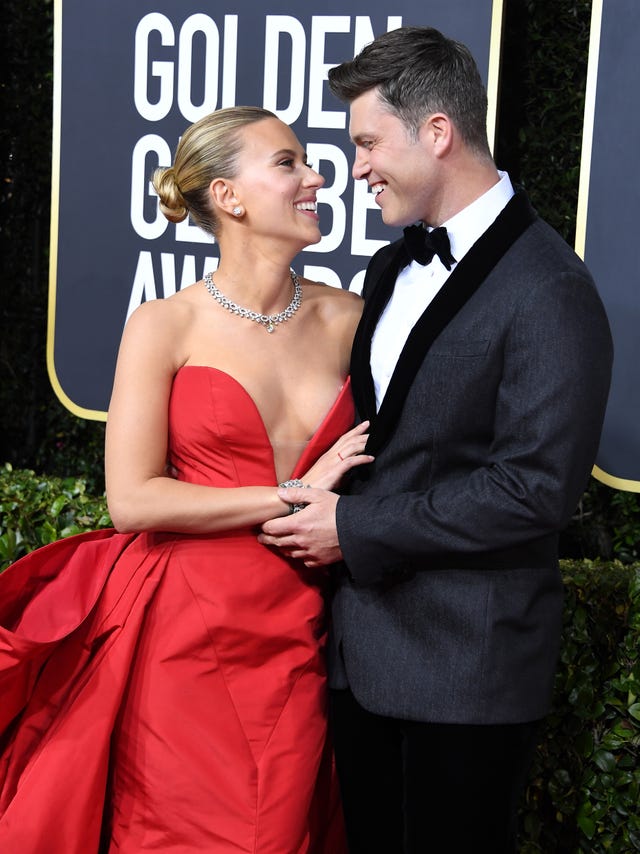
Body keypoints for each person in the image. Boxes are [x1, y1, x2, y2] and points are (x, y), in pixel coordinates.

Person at [259, 26, 614, 854]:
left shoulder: (552, 289)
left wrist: (351, 529)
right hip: (361, 658)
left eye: (367, 142)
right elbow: (387, 440)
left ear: (439, 134)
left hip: (467, 674)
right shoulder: (390, 267)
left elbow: (535, 490)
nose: (356, 167)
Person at [0, 106, 368, 852]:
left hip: (308, 627)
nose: (315, 175)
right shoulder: (163, 325)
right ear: (229, 197)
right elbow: (133, 498)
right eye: (288, 163)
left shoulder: (354, 317)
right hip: (186, 633)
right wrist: (293, 495)